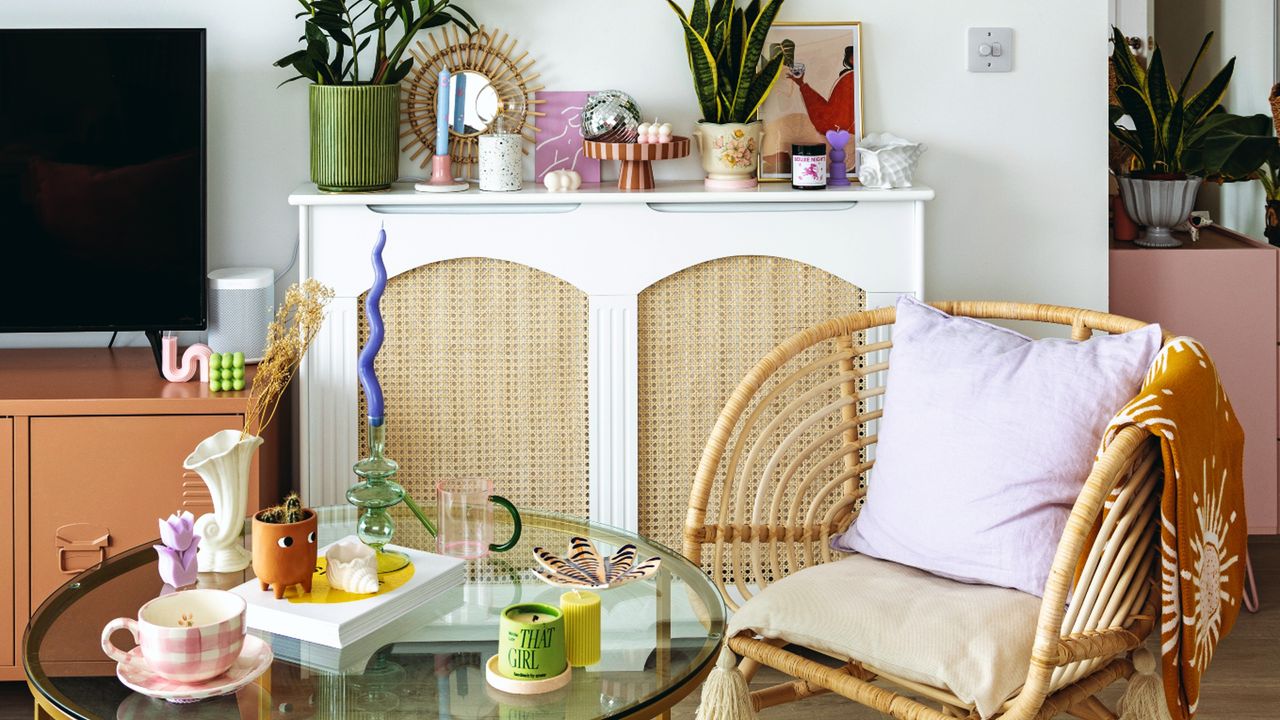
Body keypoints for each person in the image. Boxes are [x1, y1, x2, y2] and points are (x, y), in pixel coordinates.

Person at [788, 45, 855, 135]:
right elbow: (834, 114)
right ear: (851, 60)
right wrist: (801, 84)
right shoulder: (847, 78)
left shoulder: (852, 77)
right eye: (853, 58)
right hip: (843, 131)